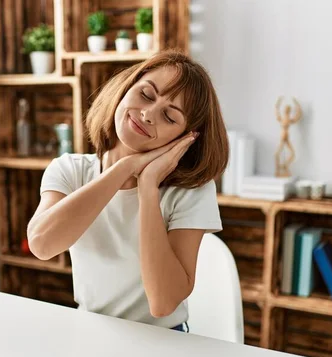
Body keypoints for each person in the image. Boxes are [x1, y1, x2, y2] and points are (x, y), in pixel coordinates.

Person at [27, 49, 229, 332]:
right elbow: (42, 244)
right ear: (125, 88)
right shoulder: (70, 170)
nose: (147, 114)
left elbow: (163, 303)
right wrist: (124, 168)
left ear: (185, 139)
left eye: (169, 117)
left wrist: (148, 187)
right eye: (145, 95)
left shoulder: (191, 190)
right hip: (91, 330)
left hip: (163, 340)